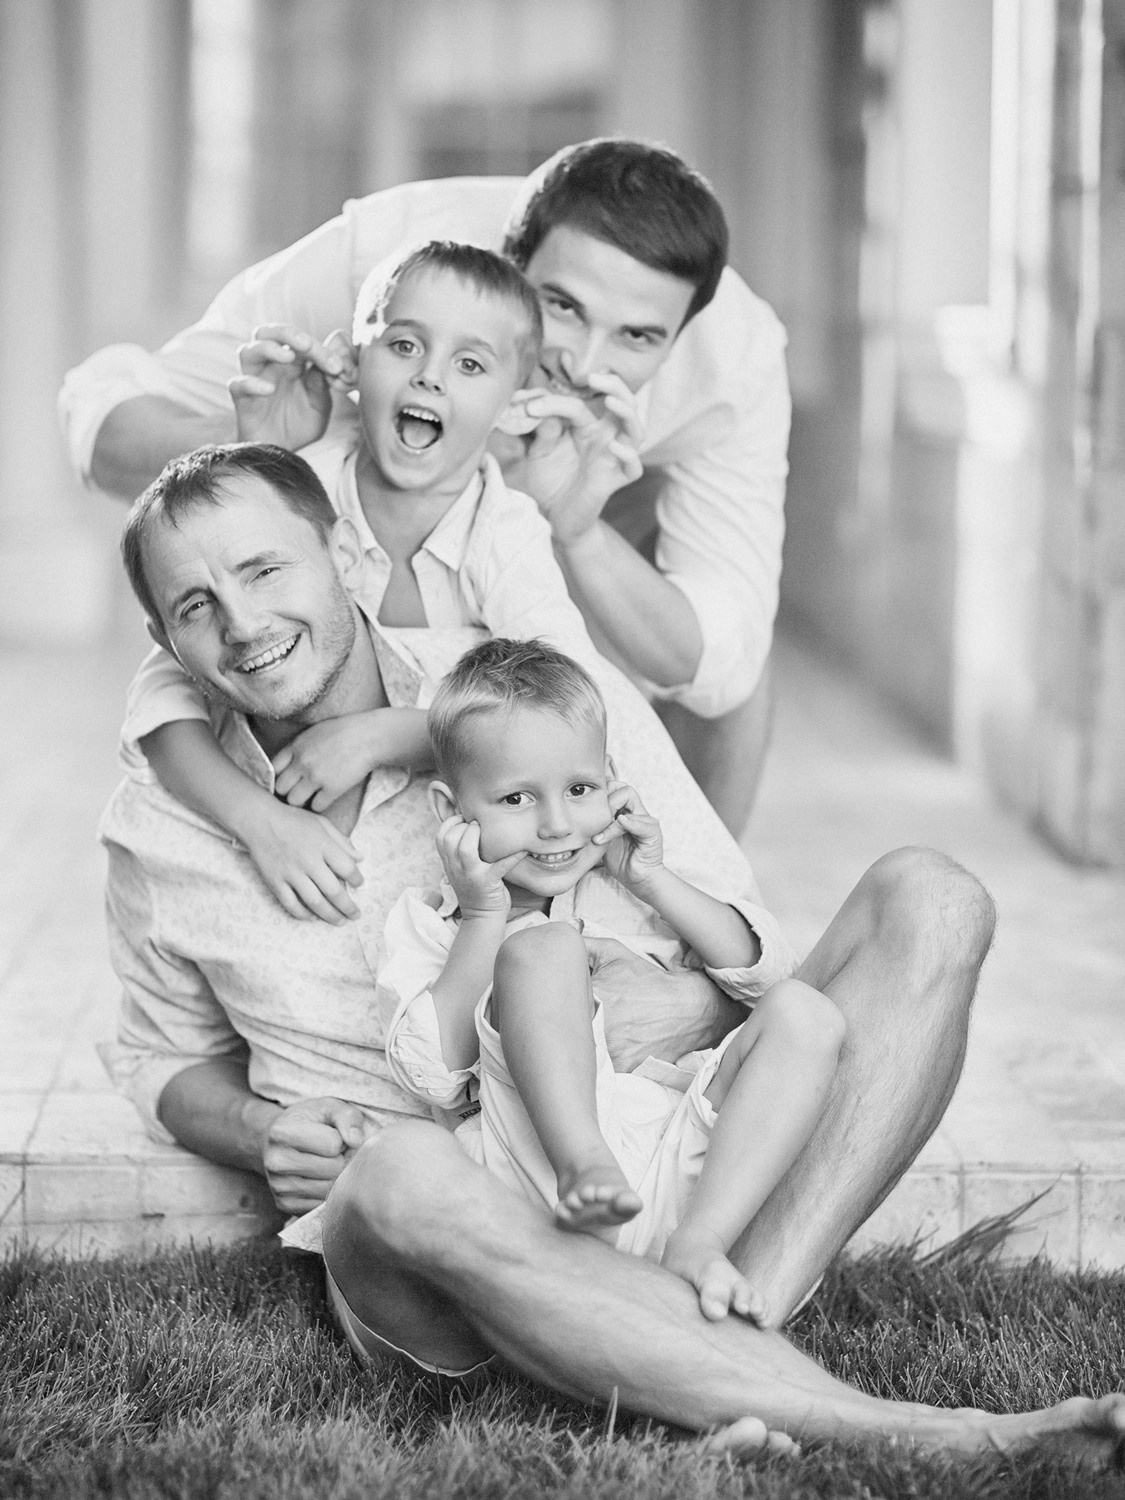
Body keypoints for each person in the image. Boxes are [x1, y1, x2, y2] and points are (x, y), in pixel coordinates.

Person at [101, 447, 1125, 1458]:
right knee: (393, 1170)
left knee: (933, 899)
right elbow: (160, 1063)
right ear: (163, 639)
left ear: (346, 557)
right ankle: (915, 1434)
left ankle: (726, 1332)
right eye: (195, 605)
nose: (241, 624)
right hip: (446, 1246)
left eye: (264, 569)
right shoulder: (159, 828)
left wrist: (674, 996)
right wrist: (258, 1126)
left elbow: (752, 969)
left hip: (661, 1166)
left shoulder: (537, 694)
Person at [62, 138, 791, 831]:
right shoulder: (377, 261)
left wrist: (577, 531)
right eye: (560, 306)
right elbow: (101, 422)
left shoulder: (732, 363)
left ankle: (682, 924)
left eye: (636, 337)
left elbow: (720, 668)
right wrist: (261, 445)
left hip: (586, 511)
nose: (579, 361)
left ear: (677, 336)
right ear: (507, 263)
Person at [122, 242, 646, 924]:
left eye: (469, 363)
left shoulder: (503, 530)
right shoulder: (307, 486)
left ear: (515, 402)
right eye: (403, 346)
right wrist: (257, 821)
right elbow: (168, 680)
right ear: (353, 363)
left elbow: (569, 703)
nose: (429, 378)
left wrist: (381, 735)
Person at [376, 637, 844, 1326]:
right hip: (537, 1177)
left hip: (683, 1166)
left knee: (806, 1015)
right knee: (543, 949)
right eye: (515, 798)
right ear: (453, 813)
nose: (557, 824)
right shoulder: (435, 925)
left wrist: (650, 878)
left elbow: (768, 978)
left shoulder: (642, 894)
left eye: (579, 789)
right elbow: (432, 1074)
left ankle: (700, 1243)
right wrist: (484, 916)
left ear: (612, 782)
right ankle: (584, 1165)